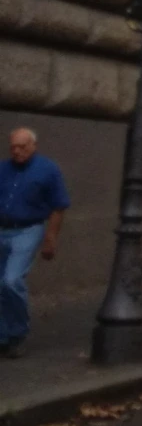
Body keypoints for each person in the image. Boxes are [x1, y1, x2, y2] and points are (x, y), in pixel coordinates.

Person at [0, 128, 70, 357]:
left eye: (22, 146)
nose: (17, 151)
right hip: (2, 229)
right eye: (13, 147)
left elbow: (59, 206)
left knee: (11, 281)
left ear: (33, 146)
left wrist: (51, 238)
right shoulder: (3, 169)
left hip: (28, 229)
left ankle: (18, 332)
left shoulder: (47, 170)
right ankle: (3, 336)